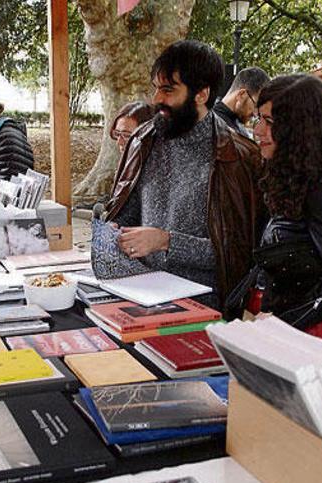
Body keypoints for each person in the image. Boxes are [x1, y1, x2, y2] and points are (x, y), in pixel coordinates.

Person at [104, 40, 261, 316]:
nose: (156, 99)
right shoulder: (142, 140)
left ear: (201, 94)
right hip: (137, 299)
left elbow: (238, 255)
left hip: (201, 312)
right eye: (155, 88)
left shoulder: (240, 158)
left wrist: (167, 241)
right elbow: (121, 218)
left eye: (168, 90)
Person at [250, 74, 322, 333]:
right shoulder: (295, 180)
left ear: (301, 129)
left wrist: (284, 323)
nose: (257, 130)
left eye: (269, 121)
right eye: (258, 118)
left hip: (313, 337)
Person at [212, 67, 270, 139]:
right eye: (256, 106)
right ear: (242, 95)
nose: (255, 114)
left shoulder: (239, 129)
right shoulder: (211, 125)